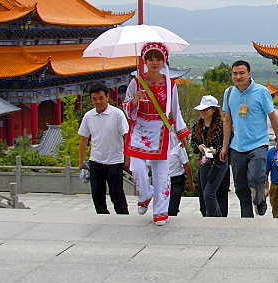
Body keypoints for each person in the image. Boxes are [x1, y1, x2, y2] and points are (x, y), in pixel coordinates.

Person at [123, 42, 190, 226]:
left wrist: (182, 134)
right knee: (137, 169)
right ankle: (145, 194)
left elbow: (176, 110)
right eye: (150, 59)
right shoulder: (135, 82)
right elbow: (126, 108)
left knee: (162, 174)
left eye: (158, 59)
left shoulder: (170, 84)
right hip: (140, 129)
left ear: (164, 60)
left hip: (161, 130)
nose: (154, 62)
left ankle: (160, 211)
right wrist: (134, 101)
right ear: (144, 61)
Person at [220, 60, 278, 218]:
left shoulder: (261, 92)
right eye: (235, 73)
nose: (238, 76)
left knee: (256, 177)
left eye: (242, 73)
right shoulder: (228, 93)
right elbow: (227, 121)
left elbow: (273, 117)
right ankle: (246, 217)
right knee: (240, 187)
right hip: (237, 146)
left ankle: (260, 196)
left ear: (249, 74)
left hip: (258, 144)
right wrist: (224, 146)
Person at [77, 82, 130, 215]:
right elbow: (83, 139)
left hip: (115, 161)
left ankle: (123, 216)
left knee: (116, 193)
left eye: (101, 98)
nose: (98, 101)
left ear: (107, 97)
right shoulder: (89, 116)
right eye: (94, 99)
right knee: (97, 192)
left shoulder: (117, 114)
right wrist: (80, 161)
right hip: (96, 160)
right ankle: (102, 216)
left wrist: (127, 157)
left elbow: (126, 136)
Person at [191, 94, 230, 217]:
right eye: (201, 110)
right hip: (204, 162)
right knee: (204, 194)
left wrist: (215, 151)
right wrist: (199, 147)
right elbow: (193, 142)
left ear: (213, 109)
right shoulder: (197, 125)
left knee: (210, 193)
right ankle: (212, 217)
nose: (203, 112)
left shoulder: (222, 126)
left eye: (206, 109)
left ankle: (214, 218)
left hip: (218, 162)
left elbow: (228, 145)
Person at [166, 142, 193, 216]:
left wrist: (190, 182)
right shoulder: (158, 145)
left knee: (172, 207)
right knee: (164, 206)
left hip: (176, 179)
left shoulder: (179, 147)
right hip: (163, 180)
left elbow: (186, 165)